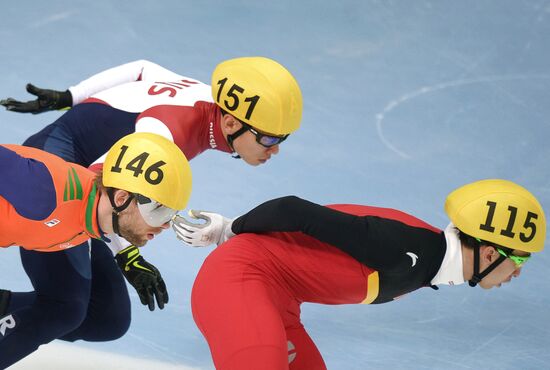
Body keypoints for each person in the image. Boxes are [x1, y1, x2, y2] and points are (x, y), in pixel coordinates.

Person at [0, 57, 302, 345]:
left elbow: (141, 69)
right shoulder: (165, 133)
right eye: (270, 139)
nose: (274, 150)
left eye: (281, 139)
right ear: (233, 124)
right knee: (65, 308)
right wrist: (128, 257)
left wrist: (71, 96)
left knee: (107, 318)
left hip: (94, 177)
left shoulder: (205, 97)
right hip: (63, 176)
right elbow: (105, 189)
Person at [173, 179, 546, 370]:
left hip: (278, 300)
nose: (517, 273)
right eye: (521, 261)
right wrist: (229, 229)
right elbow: (292, 209)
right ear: (489, 252)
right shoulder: (407, 249)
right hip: (240, 278)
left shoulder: (429, 258)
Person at [0, 132, 192, 368]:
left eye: (171, 215)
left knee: (106, 317)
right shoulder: (47, 195)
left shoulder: (93, 215)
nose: (164, 225)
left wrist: (127, 256)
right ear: (121, 198)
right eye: (159, 211)